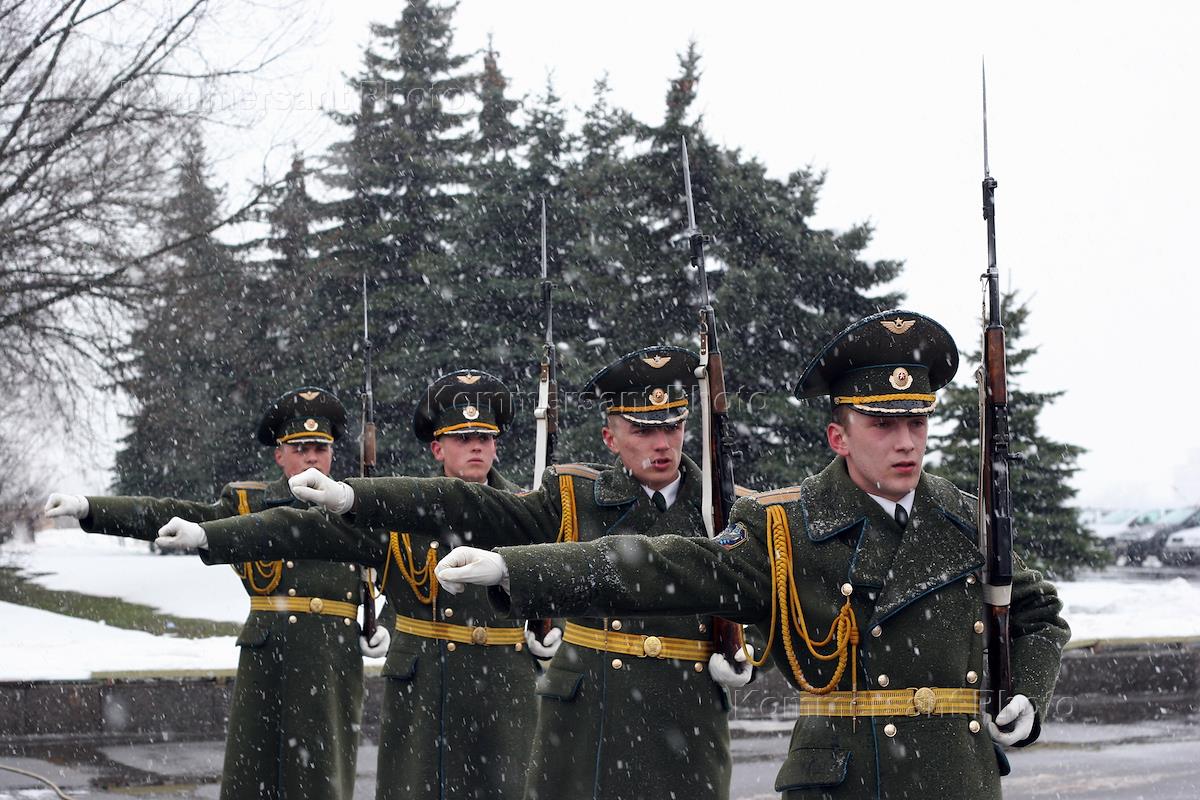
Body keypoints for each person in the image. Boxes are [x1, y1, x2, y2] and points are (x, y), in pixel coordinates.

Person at [435, 311, 1072, 799]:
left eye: (916, 422)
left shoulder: (964, 521)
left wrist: (1028, 692)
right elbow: (659, 565)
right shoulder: (784, 527)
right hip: (844, 778)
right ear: (838, 436)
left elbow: (1038, 613)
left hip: (957, 778)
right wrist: (518, 568)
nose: (905, 442)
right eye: (882, 424)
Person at [157, 347, 753, 800]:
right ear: (611, 436)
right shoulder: (574, 497)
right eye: (643, 429)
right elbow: (453, 503)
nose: (661, 443)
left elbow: (774, 592)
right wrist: (349, 497)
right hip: (586, 726)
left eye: (672, 426)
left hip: (684, 722)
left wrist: (751, 651)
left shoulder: (727, 511)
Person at [44, 386, 379, 800]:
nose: (312, 457)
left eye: (320, 448)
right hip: (266, 663)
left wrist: (384, 625)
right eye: (300, 448)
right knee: (252, 779)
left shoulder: (356, 507)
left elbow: (408, 566)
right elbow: (172, 515)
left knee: (320, 782)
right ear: (279, 455)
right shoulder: (249, 504)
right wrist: (91, 508)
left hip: (331, 664)